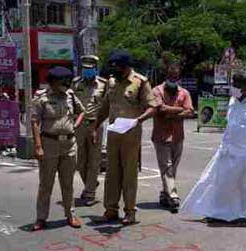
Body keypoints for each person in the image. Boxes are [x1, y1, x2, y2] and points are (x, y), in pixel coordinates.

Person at [181, 72, 246, 227]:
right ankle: (219, 213)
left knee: (242, 183)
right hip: (227, 149)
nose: (233, 87)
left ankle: (242, 216)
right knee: (220, 181)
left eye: (237, 84)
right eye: (233, 83)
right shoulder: (232, 101)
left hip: (244, 152)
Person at [89, 50, 157, 225]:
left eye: (117, 67)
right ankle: (110, 210)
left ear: (126, 67)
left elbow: (152, 106)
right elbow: (105, 107)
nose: (114, 71)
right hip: (113, 134)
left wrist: (138, 120)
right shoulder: (112, 82)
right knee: (112, 173)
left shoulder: (140, 82)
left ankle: (130, 212)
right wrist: (95, 127)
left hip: (131, 135)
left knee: (129, 174)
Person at [31, 67, 85, 231]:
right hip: (49, 144)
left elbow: (81, 111)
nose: (66, 84)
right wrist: (38, 146)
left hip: (69, 144)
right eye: (63, 82)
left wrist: (75, 124)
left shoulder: (70, 96)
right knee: (46, 184)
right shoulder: (42, 98)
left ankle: (70, 215)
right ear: (53, 82)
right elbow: (35, 122)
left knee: (67, 183)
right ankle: (41, 218)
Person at [151, 63, 194, 212]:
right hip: (161, 136)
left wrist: (175, 113)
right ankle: (173, 196)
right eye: (171, 77)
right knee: (167, 167)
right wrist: (181, 110)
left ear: (179, 79)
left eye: (176, 78)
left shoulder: (184, 93)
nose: (173, 80)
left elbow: (190, 112)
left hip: (177, 136)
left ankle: (164, 195)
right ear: (166, 77)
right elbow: (161, 109)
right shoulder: (157, 91)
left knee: (172, 168)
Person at [72, 55, 107, 207]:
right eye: (85, 69)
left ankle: (90, 192)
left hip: (96, 124)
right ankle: (90, 184)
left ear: (95, 69)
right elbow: (71, 102)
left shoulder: (103, 84)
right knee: (80, 161)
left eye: (90, 69)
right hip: (79, 124)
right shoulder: (75, 83)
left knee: (94, 160)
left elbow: (107, 105)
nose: (87, 72)